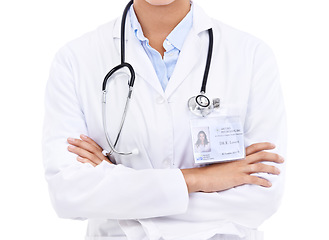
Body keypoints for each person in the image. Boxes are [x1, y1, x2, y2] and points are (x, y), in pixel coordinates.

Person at [43, 0, 286, 239]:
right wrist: (200, 179)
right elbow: (69, 193)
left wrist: (120, 194)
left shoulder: (251, 55)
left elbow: (261, 195)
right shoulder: (75, 59)